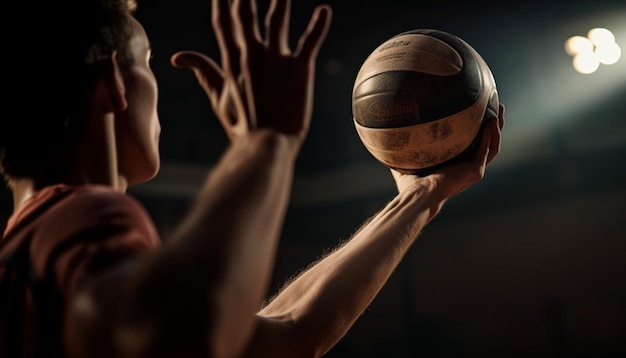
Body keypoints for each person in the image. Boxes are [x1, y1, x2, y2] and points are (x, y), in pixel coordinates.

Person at [0, 0, 505, 357]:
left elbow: (291, 333)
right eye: (147, 64)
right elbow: (183, 342)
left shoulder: (35, 243)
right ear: (113, 82)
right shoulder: (83, 214)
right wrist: (266, 142)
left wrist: (420, 196)